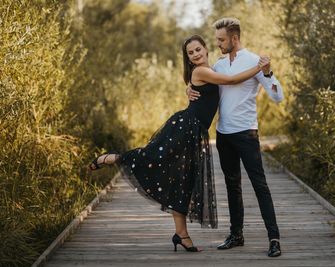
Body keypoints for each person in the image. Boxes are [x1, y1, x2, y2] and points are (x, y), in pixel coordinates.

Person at [89, 34, 270, 253]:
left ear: (205, 48)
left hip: (195, 131)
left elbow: (215, 86)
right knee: (152, 158)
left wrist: (188, 87)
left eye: (197, 49)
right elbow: (230, 81)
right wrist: (259, 68)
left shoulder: (210, 70)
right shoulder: (202, 71)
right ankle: (112, 157)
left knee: (183, 180)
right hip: (186, 128)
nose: (195, 54)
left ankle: (181, 234)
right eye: (190, 53)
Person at [187, 18, 284, 257]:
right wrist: (189, 89)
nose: (218, 43)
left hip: (246, 134)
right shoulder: (219, 66)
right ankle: (236, 234)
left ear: (234, 38)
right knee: (233, 187)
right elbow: (204, 84)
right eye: (217, 39)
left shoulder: (254, 61)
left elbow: (277, 96)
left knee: (259, 185)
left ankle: (274, 238)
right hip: (223, 135)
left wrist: (268, 72)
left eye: (221, 39)